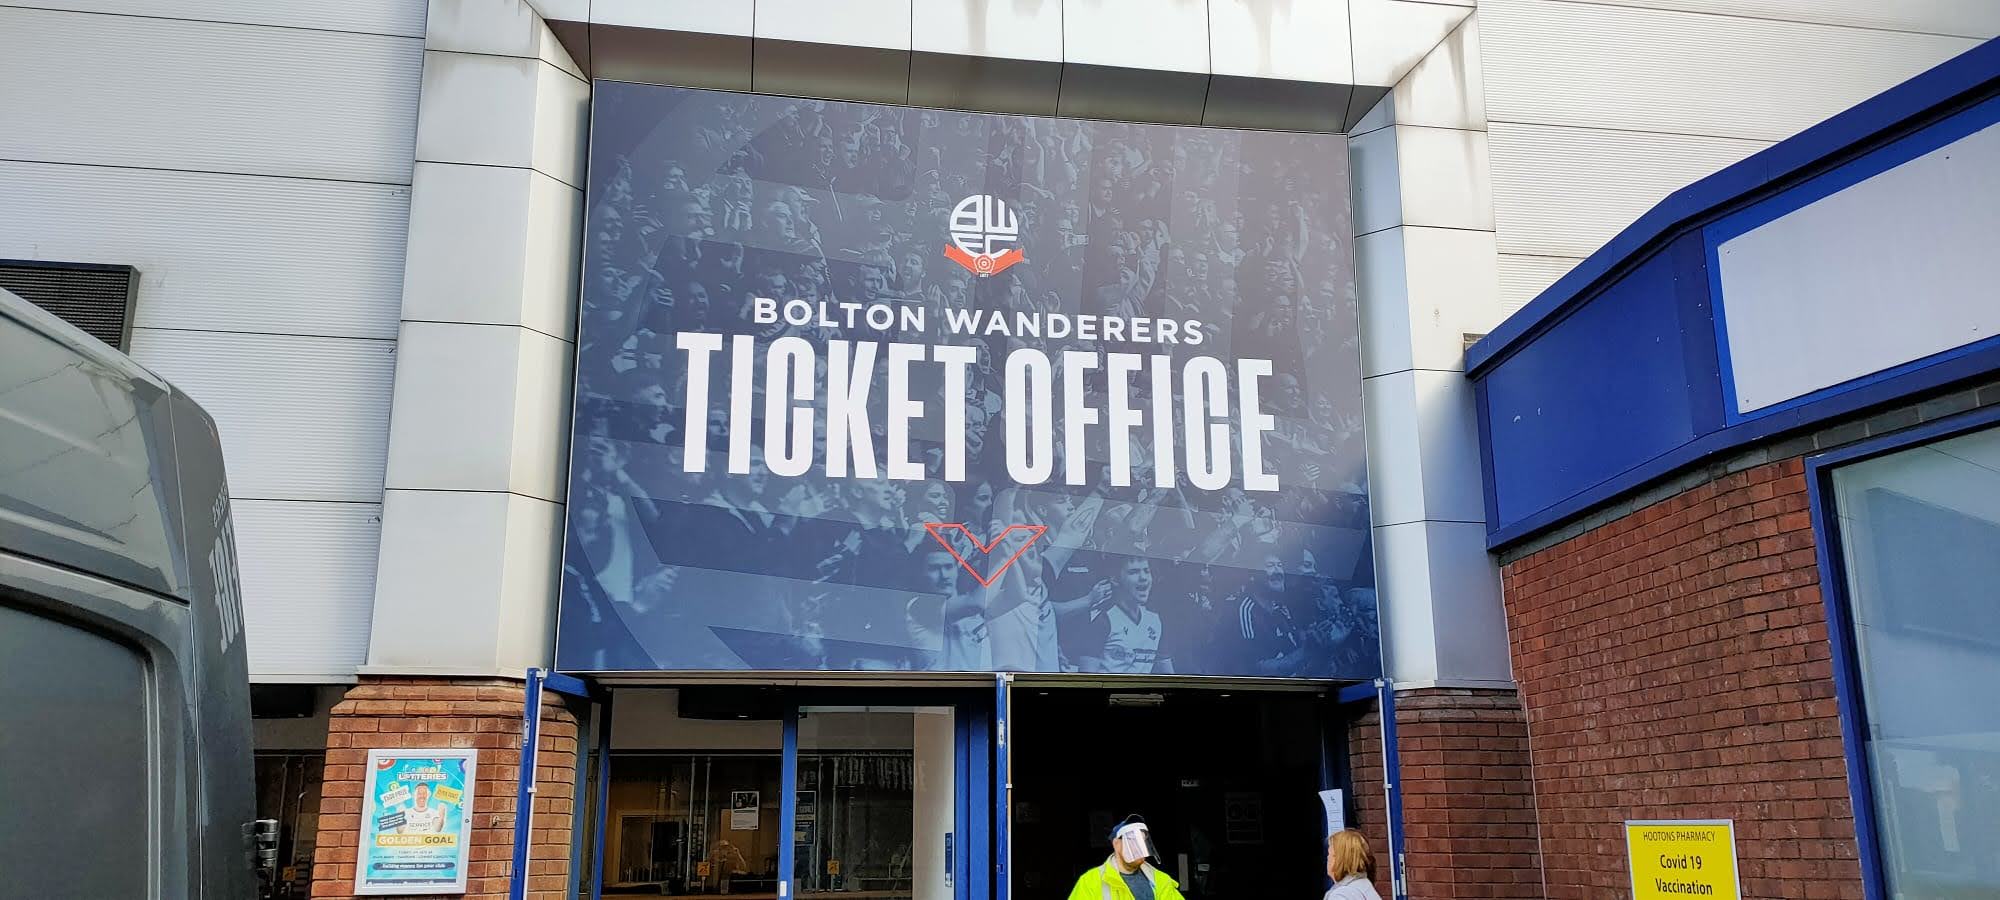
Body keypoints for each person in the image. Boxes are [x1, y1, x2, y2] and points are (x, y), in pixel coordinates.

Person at [1066, 815, 1185, 900]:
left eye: (1143, 841)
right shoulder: (1089, 882)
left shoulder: (1161, 880)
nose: (1140, 846)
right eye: (1132, 840)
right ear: (1116, 844)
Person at [1324, 829, 1382, 900]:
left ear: (1340, 859)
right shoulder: (1364, 886)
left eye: (1329, 854)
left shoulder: (1341, 895)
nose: (1327, 858)